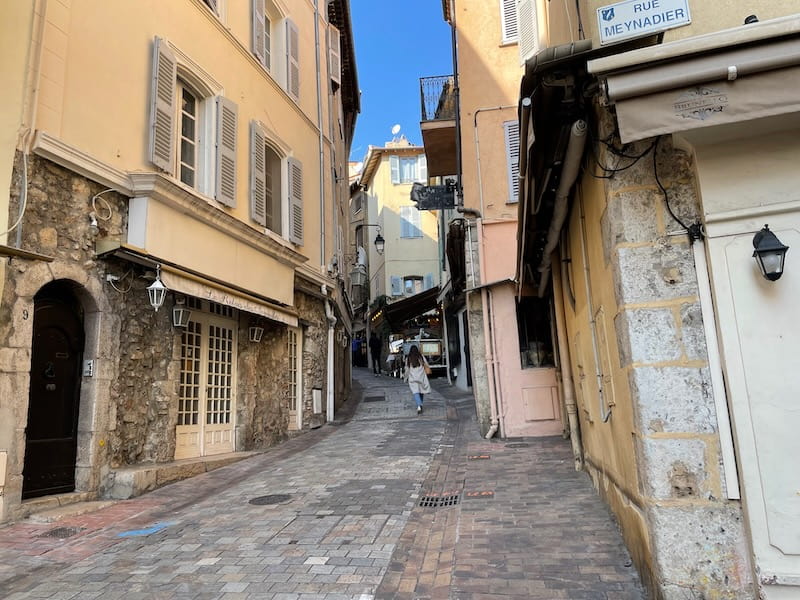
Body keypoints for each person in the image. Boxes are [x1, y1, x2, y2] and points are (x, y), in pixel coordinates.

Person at [403, 345, 430, 414]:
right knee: (421, 391)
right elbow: (426, 364)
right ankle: (420, 404)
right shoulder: (421, 357)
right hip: (421, 377)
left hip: (413, 378)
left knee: (415, 392)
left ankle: (419, 405)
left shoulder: (408, 358)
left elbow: (407, 369)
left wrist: (405, 378)